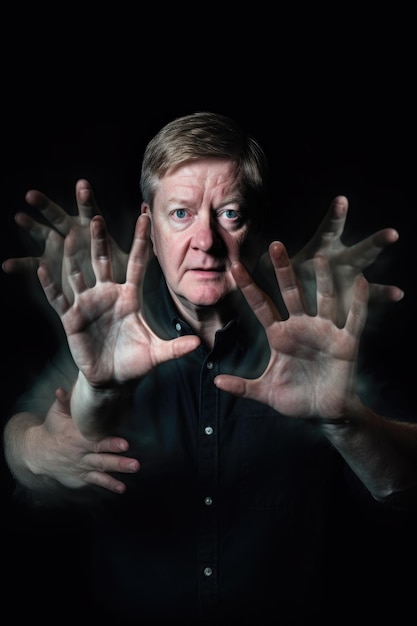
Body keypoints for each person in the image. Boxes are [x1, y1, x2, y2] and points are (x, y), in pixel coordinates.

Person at [2, 111, 417, 624]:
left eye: (229, 214)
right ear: (148, 226)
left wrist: (344, 419)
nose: (205, 241)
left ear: (255, 225)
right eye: (180, 214)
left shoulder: (315, 336)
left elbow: (406, 487)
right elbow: (22, 447)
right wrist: (44, 446)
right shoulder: (106, 328)